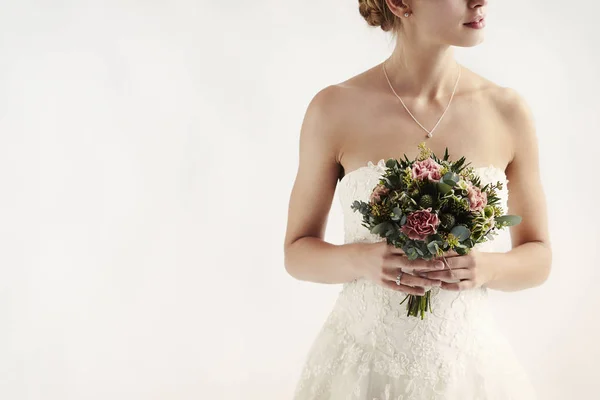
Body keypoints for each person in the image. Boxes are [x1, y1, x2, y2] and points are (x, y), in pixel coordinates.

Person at [283, 0, 552, 398]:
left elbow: (539, 256)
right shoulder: (334, 109)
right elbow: (296, 253)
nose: (479, 1)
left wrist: (485, 268)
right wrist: (361, 258)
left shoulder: (506, 111)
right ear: (400, 3)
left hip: (466, 369)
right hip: (361, 367)